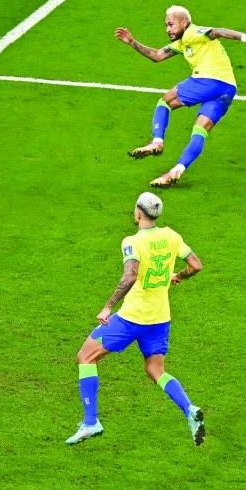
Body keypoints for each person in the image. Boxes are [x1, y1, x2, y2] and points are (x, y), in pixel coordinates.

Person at [65, 191, 206, 446]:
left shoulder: (132, 242)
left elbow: (129, 276)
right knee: (156, 370)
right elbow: (196, 265)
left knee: (85, 356)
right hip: (160, 318)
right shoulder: (172, 236)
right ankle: (189, 409)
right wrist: (178, 276)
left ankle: (90, 422)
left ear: (138, 213)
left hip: (132, 318)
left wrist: (108, 307)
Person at [115, 5, 246, 187]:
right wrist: (132, 42)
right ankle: (176, 171)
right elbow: (157, 55)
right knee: (199, 131)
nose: (167, 29)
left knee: (165, 101)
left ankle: (157, 142)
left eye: (171, 24)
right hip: (228, 89)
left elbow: (217, 31)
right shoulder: (182, 42)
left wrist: (245, 38)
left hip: (209, 80)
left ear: (184, 23)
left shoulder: (193, 33)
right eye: (166, 25)